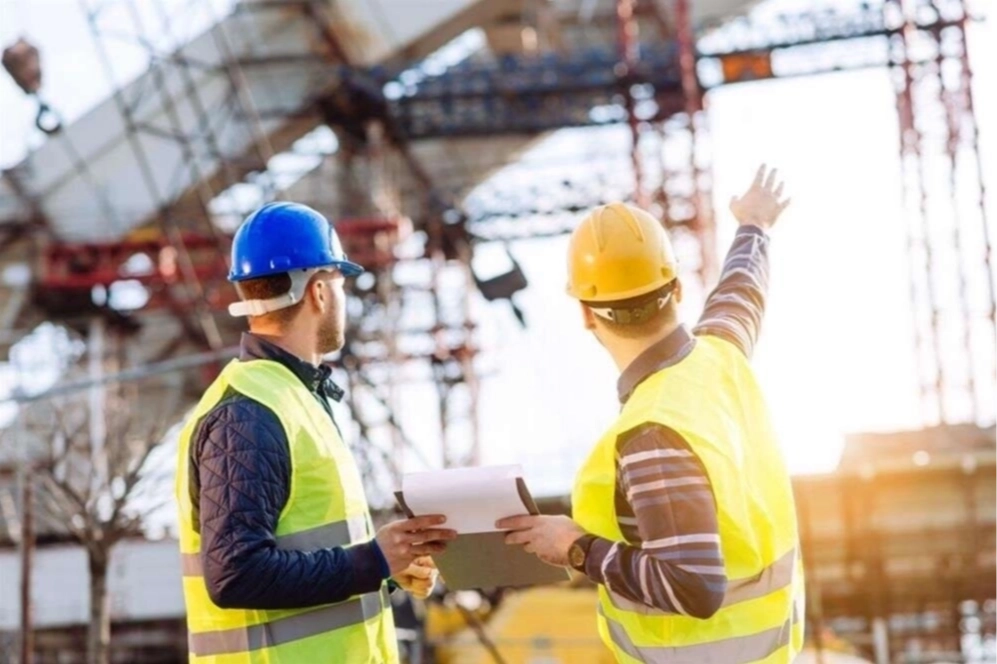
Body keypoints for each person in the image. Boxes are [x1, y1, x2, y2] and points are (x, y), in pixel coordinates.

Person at [499, 165, 804, 663]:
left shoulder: (652, 432)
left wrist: (576, 547)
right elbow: (741, 294)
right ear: (677, 290)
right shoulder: (719, 357)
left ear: (586, 314)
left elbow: (693, 586)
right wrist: (754, 226)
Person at [174, 202, 454, 664]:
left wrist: (385, 570)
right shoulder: (250, 412)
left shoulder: (288, 398)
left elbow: (305, 551)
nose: (343, 297)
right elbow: (235, 574)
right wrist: (373, 560)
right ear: (319, 292)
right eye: (341, 282)